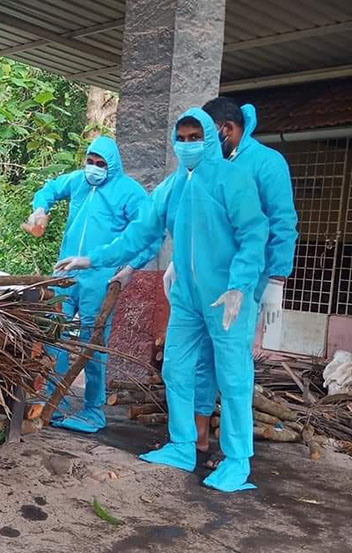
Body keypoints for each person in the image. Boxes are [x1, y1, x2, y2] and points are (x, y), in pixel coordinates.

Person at [55, 108, 268, 492]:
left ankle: (237, 461)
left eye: (194, 138)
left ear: (209, 139)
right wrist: (93, 258)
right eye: (181, 139)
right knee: (176, 368)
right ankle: (182, 445)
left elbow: (254, 233)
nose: (186, 146)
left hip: (228, 297)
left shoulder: (232, 179)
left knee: (233, 378)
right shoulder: (172, 187)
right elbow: (138, 234)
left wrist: (240, 285)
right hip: (187, 295)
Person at [168, 97, 298, 464]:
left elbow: (280, 224)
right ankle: (199, 440)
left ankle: (236, 454)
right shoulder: (209, 167)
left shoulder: (266, 163)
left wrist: (275, 280)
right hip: (202, 285)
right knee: (200, 363)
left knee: (231, 365)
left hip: (243, 284)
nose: (195, 144)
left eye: (203, 136)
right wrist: (180, 261)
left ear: (222, 130)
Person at [24, 136, 159, 433]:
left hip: (101, 277)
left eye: (101, 164)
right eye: (90, 161)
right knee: (54, 334)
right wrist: (39, 209)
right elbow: (49, 189)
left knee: (92, 343)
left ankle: (93, 409)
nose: (94, 168)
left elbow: (152, 233)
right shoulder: (78, 182)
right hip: (65, 270)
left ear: (112, 166)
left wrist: (131, 268)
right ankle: (51, 402)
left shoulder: (129, 193)